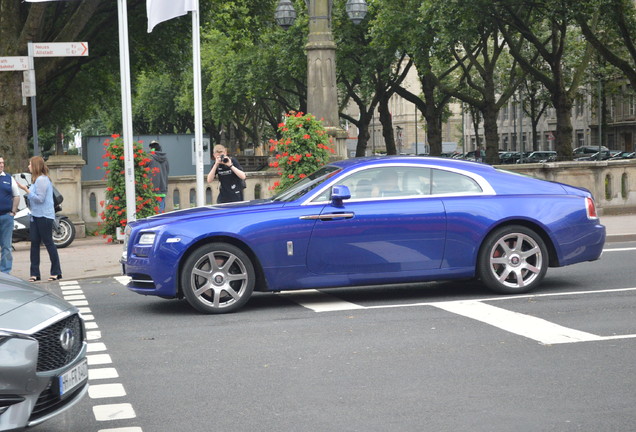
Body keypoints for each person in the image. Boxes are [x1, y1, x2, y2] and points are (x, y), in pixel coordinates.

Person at [17, 156, 62, 282]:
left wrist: (26, 190)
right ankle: (35, 273)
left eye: (30, 164)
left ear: (36, 166)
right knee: (34, 244)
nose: (28, 166)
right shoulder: (36, 180)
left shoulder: (42, 180)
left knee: (48, 243)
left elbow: (40, 199)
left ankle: (56, 272)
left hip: (44, 216)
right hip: (36, 215)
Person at [0, 156, 20, 274]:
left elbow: (16, 196)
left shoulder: (9, 178)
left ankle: (5, 272)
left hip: (7, 217)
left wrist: (13, 212)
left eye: (2, 163)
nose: (1, 165)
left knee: (6, 246)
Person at [148, 140, 169, 212]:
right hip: (163, 187)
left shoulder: (150, 157)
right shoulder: (165, 158)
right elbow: (167, 171)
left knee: (151, 211)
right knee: (161, 210)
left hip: (152, 188)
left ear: (151, 148)